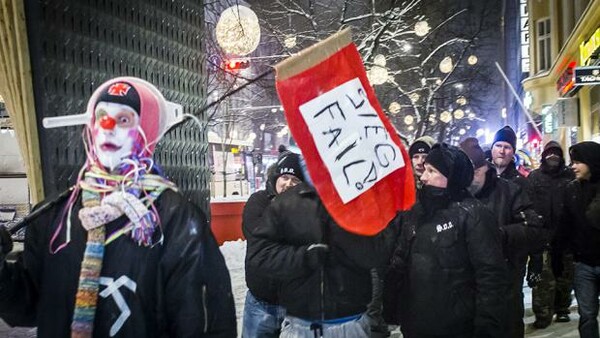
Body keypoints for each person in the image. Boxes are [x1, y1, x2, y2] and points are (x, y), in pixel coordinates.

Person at [0, 77, 236, 337]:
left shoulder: (175, 218)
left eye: (123, 120)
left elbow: (204, 323)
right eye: (101, 117)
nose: (108, 127)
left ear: (145, 129)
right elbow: (27, 306)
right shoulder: (57, 215)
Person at [248, 170, 398, 337]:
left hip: (351, 323)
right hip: (300, 324)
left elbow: (378, 253)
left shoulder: (364, 202)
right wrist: (305, 257)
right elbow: (260, 255)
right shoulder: (287, 203)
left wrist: (341, 221)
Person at [385, 143, 508, 338]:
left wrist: (486, 327)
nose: (424, 176)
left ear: (452, 177)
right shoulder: (416, 212)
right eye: (425, 170)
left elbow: (490, 277)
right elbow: (399, 261)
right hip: (415, 324)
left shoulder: (474, 214)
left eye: (432, 171)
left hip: (457, 327)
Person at [460, 137, 545, 338]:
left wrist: (499, 234)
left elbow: (534, 229)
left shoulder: (510, 191)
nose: (466, 180)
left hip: (505, 287)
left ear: (482, 169)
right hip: (466, 292)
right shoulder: (456, 193)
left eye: (471, 173)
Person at [242, 151, 304, 337]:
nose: (288, 184)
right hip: (261, 303)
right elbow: (258, 236)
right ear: (276, 178)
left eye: (295, 181)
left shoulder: (309, 207)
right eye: (285, 177)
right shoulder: (258, 201)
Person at [527, 141, 575, 330]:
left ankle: (562, 309)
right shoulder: (534, 177)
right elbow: (527, 204)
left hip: (566, 237)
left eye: (556, 153)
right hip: (542, 237)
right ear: (543, 156)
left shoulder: (570, 177)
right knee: (542, 279)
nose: (552, 157)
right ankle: (543, 314)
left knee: (565, 276)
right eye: (549, 153)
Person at [556, 141, 600, 338]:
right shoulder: (571, 190)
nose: (572, 166)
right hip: (583, 264)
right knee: (587, 314)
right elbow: (565, 224)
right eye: (572, 161)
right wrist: (557, 253)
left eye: (578, 161)